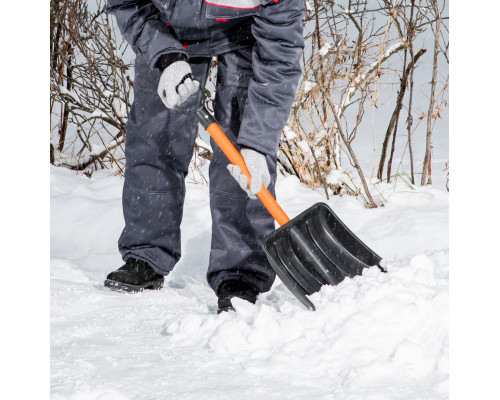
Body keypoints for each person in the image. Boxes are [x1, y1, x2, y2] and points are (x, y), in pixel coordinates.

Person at [104, 0, 305, 312]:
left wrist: (258, 146)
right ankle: (146, 253)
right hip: (165, 26)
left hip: (245, 32)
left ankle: (241, 273)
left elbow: (279, 57)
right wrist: (163, 54)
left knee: (240, 151)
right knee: (155, 137)